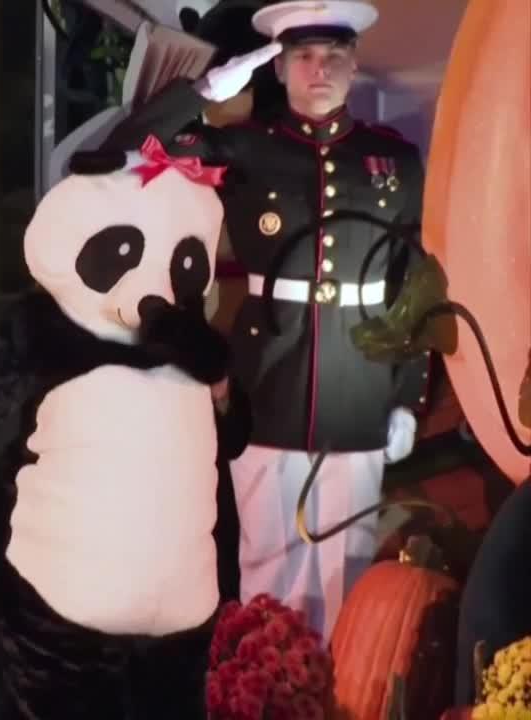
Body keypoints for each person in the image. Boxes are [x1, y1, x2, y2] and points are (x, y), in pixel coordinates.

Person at [101, 0, 431, 640]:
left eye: (334, 56)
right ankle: (263, 695)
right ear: (277, 70)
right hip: (268, 378)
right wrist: (203, 90)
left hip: (360, 378)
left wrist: (408, 394)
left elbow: (413, 280)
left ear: (354, 64)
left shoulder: (391, 160)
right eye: (302, 57)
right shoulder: (246, 149)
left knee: (349, 567)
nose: (319, 70)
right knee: (267, 566)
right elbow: (132, 144)